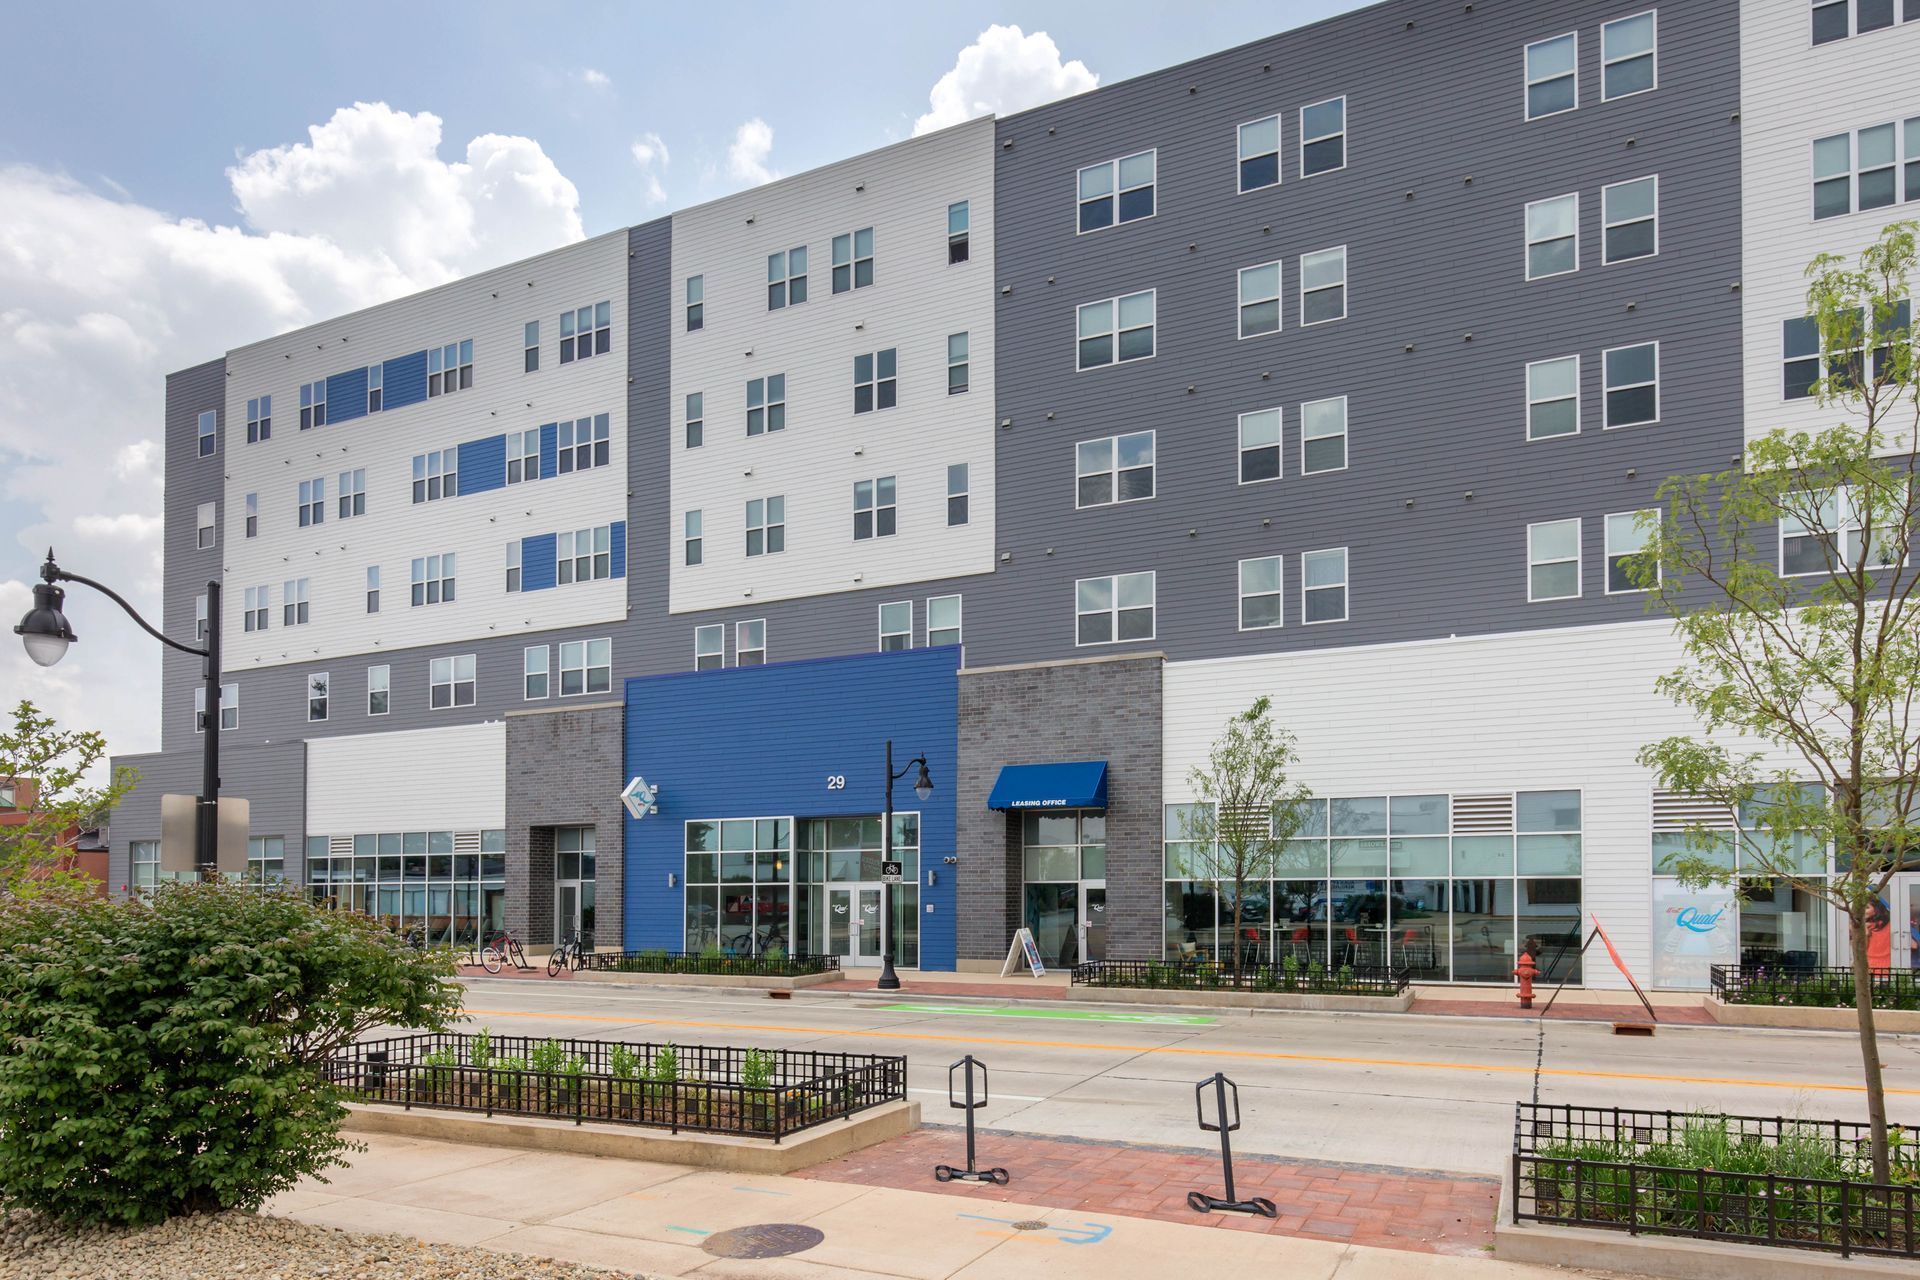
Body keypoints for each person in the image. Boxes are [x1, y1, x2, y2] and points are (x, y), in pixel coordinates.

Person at [1862, 897, 1893, 970]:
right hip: (1887, 965)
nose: (1863, 910)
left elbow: (1862, 949)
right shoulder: (1892, 925)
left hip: (1871, 965)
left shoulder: (1866, 926)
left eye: (1867, 907)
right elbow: (1913, 945)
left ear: (1876, 910)